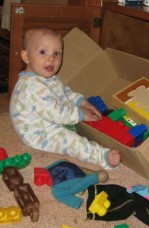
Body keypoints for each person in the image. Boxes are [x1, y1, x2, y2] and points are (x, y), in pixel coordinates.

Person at [10, 27, 120, 170]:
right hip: (41, 133)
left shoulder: (48, 78)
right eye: (43, 52)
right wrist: (80, 114)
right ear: (26, 57)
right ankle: (102, 157)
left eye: (57, 53)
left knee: (78, 125)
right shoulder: (31, 87)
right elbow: (55, 113)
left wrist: (82, 102)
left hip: (51, 120)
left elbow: (64, 92)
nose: (51, 58)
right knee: (72, 142)